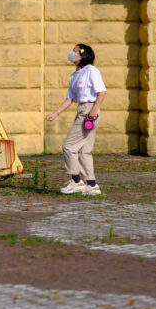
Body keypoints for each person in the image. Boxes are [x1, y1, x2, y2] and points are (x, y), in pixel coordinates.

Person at [45, 43, 106, 195]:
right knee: (84, 151)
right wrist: (56, 113)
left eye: (74, 51)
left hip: (89, 111)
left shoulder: (91, 70)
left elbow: (102, 92)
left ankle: (76, 180)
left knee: (69, 146)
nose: (71, 54)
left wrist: (93, 110)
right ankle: (92, 185)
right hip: (82, 110)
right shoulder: (74, 75)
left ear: (82, 55)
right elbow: (70, 98)